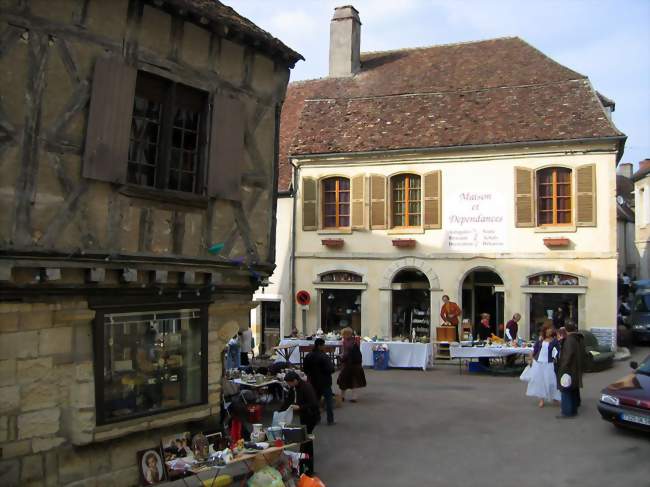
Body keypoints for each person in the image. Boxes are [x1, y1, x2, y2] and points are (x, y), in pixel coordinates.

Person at [282, 371, 320, 475]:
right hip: (304, 416)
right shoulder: (295, 387)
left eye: (289, 383)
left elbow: (313, 403)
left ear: (295, 380)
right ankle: (305, 466)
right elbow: (288, 400)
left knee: (305, 441)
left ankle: (306, 468)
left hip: (311, 416)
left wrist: (300, 407)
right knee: (306, 441)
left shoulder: (306, 387)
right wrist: (280, 411)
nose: (289, 385)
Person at [526, 323, 561, 407]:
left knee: (551, 381)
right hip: (539, 362)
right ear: (544, 331)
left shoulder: (555, 341)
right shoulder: (540, 340)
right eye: (548, 330)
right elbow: (535, 349)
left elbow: (557, 351)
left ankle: (554, 397)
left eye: (550, 330)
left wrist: (555, 357)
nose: (549, 331)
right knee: (540, 381)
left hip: (549, 363)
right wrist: (531, 358)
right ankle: (541, 399)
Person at [556, 322, 586, 418]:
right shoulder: (579, 338)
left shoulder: (569, 340)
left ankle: (567, 412)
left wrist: (562, 368)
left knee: (565, 390)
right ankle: (573, 410)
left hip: (568, 369)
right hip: (576, 367)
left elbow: (567, 356)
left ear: (566, 330)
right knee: (573, 389)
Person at [303, 338, 335, 425]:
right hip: (325, 382)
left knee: (315, 401)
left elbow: (305, 369)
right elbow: (331, 369)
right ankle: (330, 419)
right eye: (323, 345)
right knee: (328, 401)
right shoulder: (324, 356)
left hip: (313, 381)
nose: (324, 347)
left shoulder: (308, 356)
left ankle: (316, 418)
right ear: (320, 346)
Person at [337, 327, 366, 402]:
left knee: (343, 380)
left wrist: (340, 357)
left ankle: (342, 396)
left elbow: (346, 353)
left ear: (347, 334)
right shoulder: (355, 340)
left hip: (348, 364)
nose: (342, 336)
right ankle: (354, 397)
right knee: (354, 381)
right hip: (356, 364)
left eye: (343, 334)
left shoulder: (346, 342)